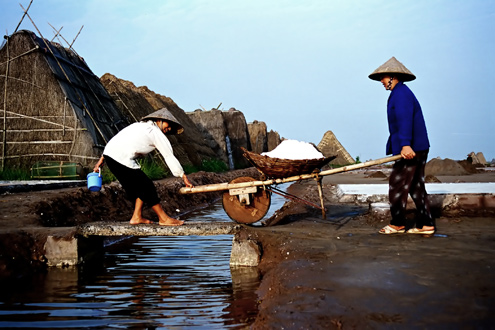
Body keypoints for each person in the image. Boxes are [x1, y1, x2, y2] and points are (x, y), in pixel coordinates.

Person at [93, 108, 193, 226]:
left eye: (171, 127)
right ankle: (163, 218)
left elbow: (116, 141)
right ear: (159, 120)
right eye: (168, 124)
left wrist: (102, 159)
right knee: (147, 186)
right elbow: (168, 155)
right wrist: (183, 176)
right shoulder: (154, 131)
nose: (169, 128)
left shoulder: (138, 126)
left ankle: (136, 216)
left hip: (111, 156)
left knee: (140, 187)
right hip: (120, 158)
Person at [369, 57, 435, 235]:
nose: (381, 82)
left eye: (383, 78)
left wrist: (405, 145)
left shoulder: (401, 94)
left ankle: (398, 223)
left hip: (411, 148)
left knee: (397, 184)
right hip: (418, 146)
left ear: (392, 76)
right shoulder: (401, 93)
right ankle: (426, 224)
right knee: (415, 186)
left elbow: (404, 120)